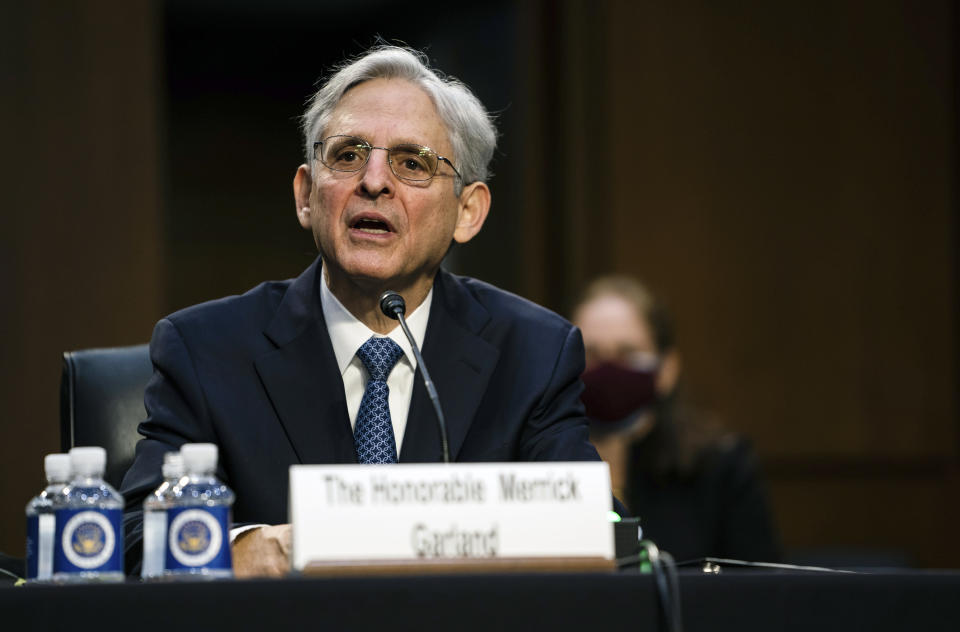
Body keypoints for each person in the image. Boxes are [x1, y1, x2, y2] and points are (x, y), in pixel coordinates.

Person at [120, 45, 611, 577]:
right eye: (348, 155)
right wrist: (251, 549)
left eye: (411, 163)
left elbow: (595, 527)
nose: (374, 181)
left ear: (467, 212)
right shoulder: (206, 350)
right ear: (307, 196)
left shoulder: (533, 354)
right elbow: (133, 538)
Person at [572, 275, 780, 562]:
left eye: (627, 353)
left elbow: (762, 583)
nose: (607, 368)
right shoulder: (537, 462)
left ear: (667, 369)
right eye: (591, 353)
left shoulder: (720, 465)